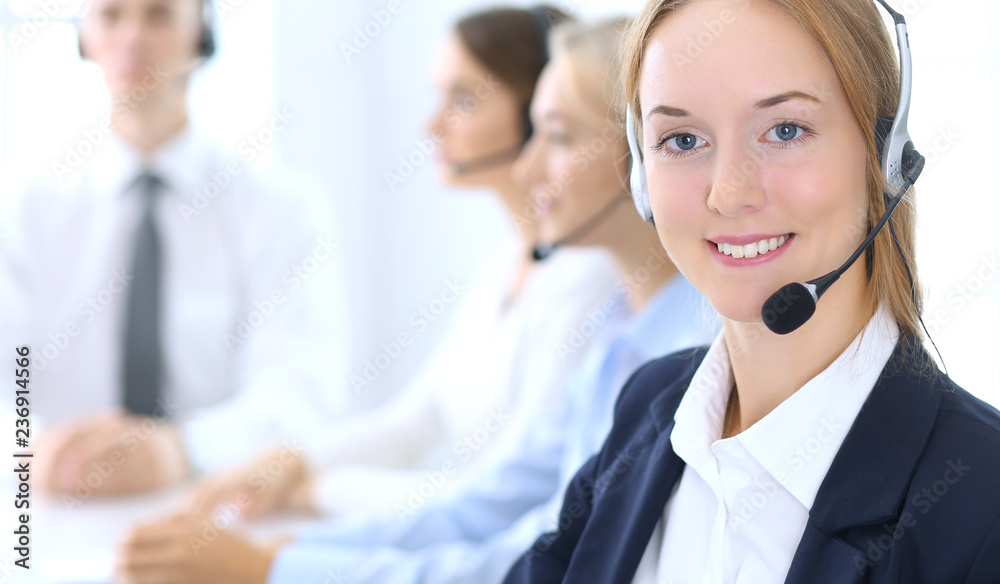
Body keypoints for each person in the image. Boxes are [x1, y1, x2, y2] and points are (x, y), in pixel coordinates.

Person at [114, 16, 718, 584]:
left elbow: (539, 550)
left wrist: (281, 561)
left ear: (638, 159)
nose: (531, 165)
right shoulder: (614, 330)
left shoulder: (667, 344)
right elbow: (482, 500)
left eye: (556, 136)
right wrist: (286, 547)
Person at [503, 0, 1000, 583]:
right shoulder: (650, 407)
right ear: (642, 177)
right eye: (682, 140)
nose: (729, 193)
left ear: (884, 155)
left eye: (785, 130)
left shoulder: (980, 504)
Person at [0, 0, 348, 496]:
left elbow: (304, 394)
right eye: (111, 16)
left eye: (159, 15)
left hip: (222, 505)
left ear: (202, 33)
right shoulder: (21, 211)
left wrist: (186, 449)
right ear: (83, 36)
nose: (132, 39)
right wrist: (33, 447)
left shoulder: (282, 210)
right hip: (53, 511)